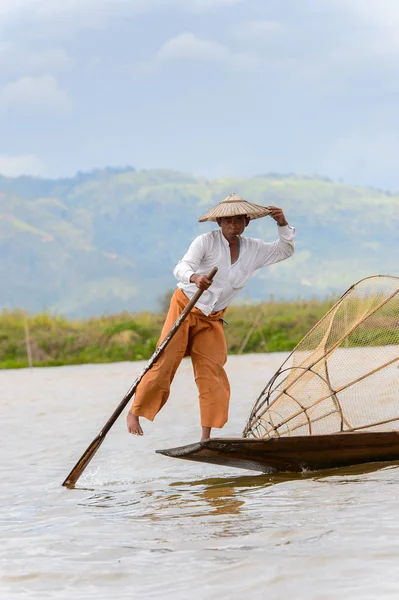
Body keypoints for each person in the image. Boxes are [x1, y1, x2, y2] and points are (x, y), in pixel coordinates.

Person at [127, 193, 295, 440]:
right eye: (227, 221)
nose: (232, 226)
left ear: (247, 222)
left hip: (212, 317)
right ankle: (135, 412)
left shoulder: (254, 249)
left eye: (238, 220)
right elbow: (181, 267)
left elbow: (285, 250)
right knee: (165, 362)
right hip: (185, 307)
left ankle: (205, 436)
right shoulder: (205, 242)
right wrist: (195, 278)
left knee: (213, 372)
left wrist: (281, 223)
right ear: (219, 223)